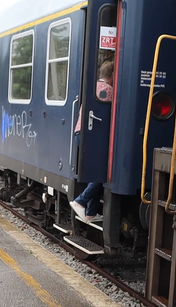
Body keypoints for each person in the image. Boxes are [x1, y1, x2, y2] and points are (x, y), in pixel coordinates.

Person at [69, 61, 115, 224]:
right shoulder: (109, 91)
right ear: (112, 75)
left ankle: (90, 213)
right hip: (91, 135)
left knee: (95, 172)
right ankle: (80, 201)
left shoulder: (92, 87)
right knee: (101, 173)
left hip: (79, 132)